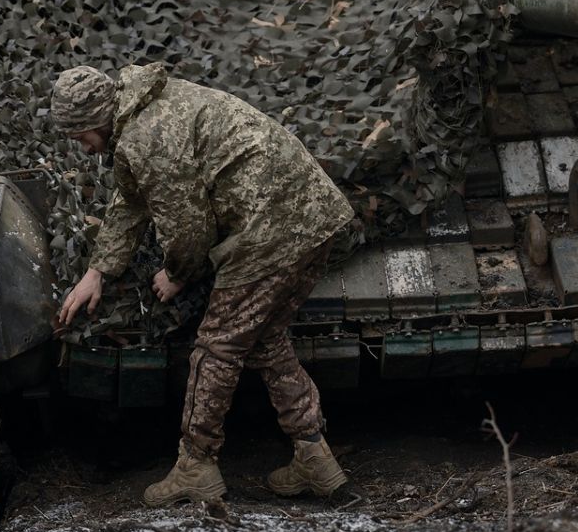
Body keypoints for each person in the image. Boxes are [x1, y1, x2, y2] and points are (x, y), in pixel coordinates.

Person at [50, 63, 355, 507]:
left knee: (216, 349)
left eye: (80, 137)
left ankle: (196, 465)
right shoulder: (148, 104)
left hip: (267, 232)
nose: (82, 148)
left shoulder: (147, 138)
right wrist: (98, 270)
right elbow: (131, 199)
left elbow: (188, 228)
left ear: (97, 119)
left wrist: (177, 274)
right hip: (314, 218)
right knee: (266, 339)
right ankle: (315, 458)